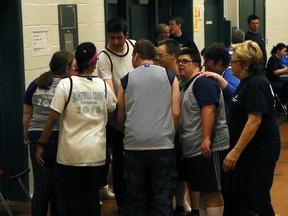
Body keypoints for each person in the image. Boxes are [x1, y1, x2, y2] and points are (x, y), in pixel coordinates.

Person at [36, 42, 117, 216]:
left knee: (72, 200)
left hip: (70, 155)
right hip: (95, 153)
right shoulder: (103, 86)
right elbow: (112, 106)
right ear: (95, 63)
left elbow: (52, 118)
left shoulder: (66, 85)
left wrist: (41, 143)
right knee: (92, 199)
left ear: (76, 64)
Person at [117, 39, 180, 216]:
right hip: (162, 144)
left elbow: (120, 115)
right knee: (162, 196)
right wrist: (169, 134)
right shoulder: (170, 77)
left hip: (134, 145)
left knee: (136, 197)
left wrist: (128, 131)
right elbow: (175, 112)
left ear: (135, 56)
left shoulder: (126, 79)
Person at [222, 40, 281, 215]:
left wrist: (235, 152)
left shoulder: (257, 83)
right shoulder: (246, 82)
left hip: (260, 149)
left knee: (257, 198)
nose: (231, 64)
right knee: (242, 196)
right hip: (249, 150)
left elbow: (254, 121)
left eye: (234, 61)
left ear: (246, 64)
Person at [177, 48, 229, 216]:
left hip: (208, 148)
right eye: (178, 61)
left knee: (213, 190)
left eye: (185, 61)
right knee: (205, 191)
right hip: (195, 149)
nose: (180, 65)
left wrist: (206, 138)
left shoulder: (203, 82)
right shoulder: (187, 86)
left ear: (196, 65)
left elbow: (209, 109)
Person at [23, 51, 75, 216]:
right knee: (60, 187)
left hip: (36, 137)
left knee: (41, 186)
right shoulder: (69, 85)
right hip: (59, 138)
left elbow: (26, 114)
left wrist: (26, 133)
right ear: (66, 68)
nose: (75, 70)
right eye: (73, 66)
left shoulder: (36, 83)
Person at [156, 39, 200, 216]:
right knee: (178, 173)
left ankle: (195, 208)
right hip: (167, 134)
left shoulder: (187, 81)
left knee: (189, 174)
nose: (157, 59)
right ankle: (180, 205)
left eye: (160, 56)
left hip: (183, 134)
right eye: (180, 62)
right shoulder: (162, 77)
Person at [96, 17, 135, 211]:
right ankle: (122, 203)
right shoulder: (104, 57)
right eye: (112, 38)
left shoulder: (135, 47)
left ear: (126, 36)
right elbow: (110, 89)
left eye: (119, 38)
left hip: (137, 116)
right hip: (117, 118)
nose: (116, 42)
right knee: (119, 162)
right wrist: (120, 118)